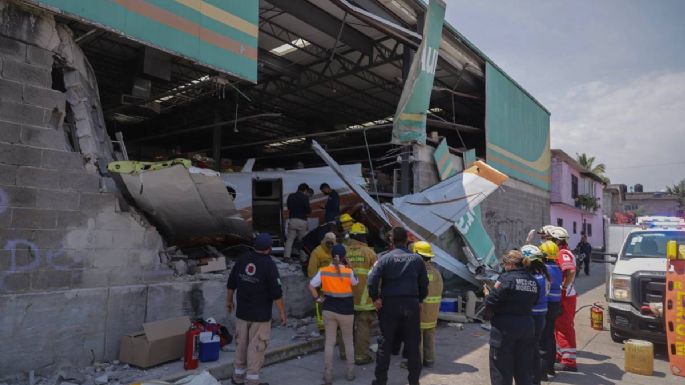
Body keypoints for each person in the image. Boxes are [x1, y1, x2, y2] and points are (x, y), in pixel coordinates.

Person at [368, 227, 428, 385]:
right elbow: (424, 283)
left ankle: (380, 381)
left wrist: (375, 298)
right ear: (407, 240)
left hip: (390, 305)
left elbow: (372, 280)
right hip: (411, 304)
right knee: (413, 345)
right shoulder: (417, 260)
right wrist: (420, 299)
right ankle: (414, 382)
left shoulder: (384, 259)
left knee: (384, 345)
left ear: (391, 241)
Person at [227, 233, 286, 385]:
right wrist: (282, 313)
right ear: (269, 249)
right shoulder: (269, 265)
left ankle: (237, 377)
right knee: (256, 347)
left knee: (241, 345)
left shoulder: (242, 260)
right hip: (260, 316)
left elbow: (231, 283)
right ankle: (252, 380)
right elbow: (276, 293)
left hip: (242, 313)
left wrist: (229, 302)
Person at [483, 250, 539, 385]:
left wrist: (486, 293)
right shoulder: (532, 280)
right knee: (524, 369)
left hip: (505, 329)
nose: (503, 266)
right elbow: (535, 301)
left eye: (504, 263)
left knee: (501, 369)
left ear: (510, 263)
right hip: (526, 326)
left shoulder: (506, 278)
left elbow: (492, 301)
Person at [308, 244, 358, 385]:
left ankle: (328, 374)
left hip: (329, 310)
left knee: (329, 342)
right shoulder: (348, 272)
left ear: (331, 256)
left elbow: (311, 285)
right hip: (346, 312)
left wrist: (318, 298)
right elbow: (356, 282)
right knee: (348, 342)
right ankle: (350, 372)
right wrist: (350, 266)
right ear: (344, 257)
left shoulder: (324, 271)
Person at [402, 241, 443, 369]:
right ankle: (429, 360)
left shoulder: (415, 272)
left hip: (418, 312)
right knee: (429, 335)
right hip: (432, 313)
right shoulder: (436, 273)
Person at [344, 223, 378, 365]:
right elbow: (377, 277)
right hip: (365, 299)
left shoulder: (345, 252)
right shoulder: (370, 253)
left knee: (345, 327)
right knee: (363, 327)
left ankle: (343, 353)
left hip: (346, 298)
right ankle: (360, 356)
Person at [520, 245, 551, 385]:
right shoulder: (544, 274)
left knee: (529, 351)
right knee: (534, 349)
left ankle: (531, 379)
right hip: (542, 315)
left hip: (532, 316)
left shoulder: (533, 278)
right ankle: (536, 379)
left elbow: (529, 299)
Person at [550, 226, 578, 372]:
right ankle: (561, 355)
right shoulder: (564, 252)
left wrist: (563, 287)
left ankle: (569, 361)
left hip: (565, 297)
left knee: (564, 328)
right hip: (566, 295)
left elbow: (571, 271)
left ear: (557, 240)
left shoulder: (563, 253)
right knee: (558, 327)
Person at [538, 240, 563, 380]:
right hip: (555, 305)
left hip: (546, 306)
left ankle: (542, 373)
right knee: (550, 336)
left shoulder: (544, 269)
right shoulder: (556, 268)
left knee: (541, 340)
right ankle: (550, 368)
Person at [309, 232, 337, 331]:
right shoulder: (317, 252)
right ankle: (321, 325)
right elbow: (312, 269)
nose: (330, 245)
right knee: (320, 304)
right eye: (328, 243)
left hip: (334, 284)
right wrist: (316, 284)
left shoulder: (335, 250)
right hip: (321, 284)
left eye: (332, 243)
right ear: (324, 241)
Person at [285, 183, 311, 262]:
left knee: (290, 239)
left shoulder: (291, 196)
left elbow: (289, 207)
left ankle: (286, 257)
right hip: (302, 220)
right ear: (305, 190)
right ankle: (303, 259)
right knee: (302, 240)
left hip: (292, 219)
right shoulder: (305, 197)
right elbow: (308, 210)